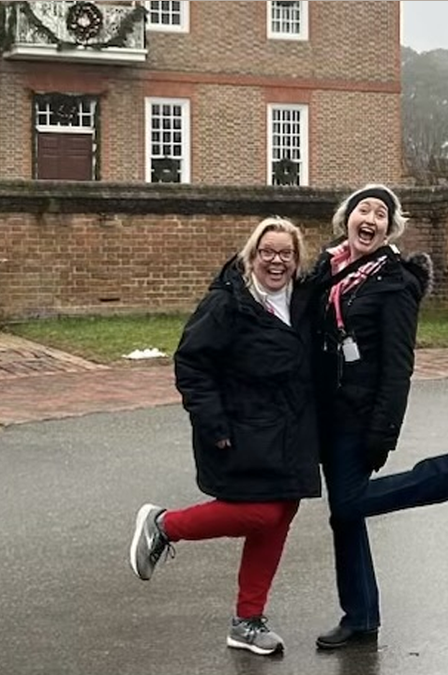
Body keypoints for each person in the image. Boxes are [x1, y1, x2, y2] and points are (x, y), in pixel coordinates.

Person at [128, 217, 321, 656]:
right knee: (260, 515)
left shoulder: (303, 300)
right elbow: (192, 364)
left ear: (296, 260)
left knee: (278, 517)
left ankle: (247, 622)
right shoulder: (227, 303)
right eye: (267, 252)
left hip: (292, 433)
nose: (276, 261)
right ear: (251, 256)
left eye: (285, 254)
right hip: (241, 429)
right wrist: (213, 424)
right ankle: (164, 525)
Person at [309, 184, 448, 650]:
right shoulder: (327, 268)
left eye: (380, 214)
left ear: (390, 227)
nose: (369, 218)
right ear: (346, 218)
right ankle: (361, 616)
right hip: (326, 410)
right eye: (362, 209)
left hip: (361, 414)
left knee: (347, 504)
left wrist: (384, 431)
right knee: (344, 517)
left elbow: (398, 364)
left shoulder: (396, 282)